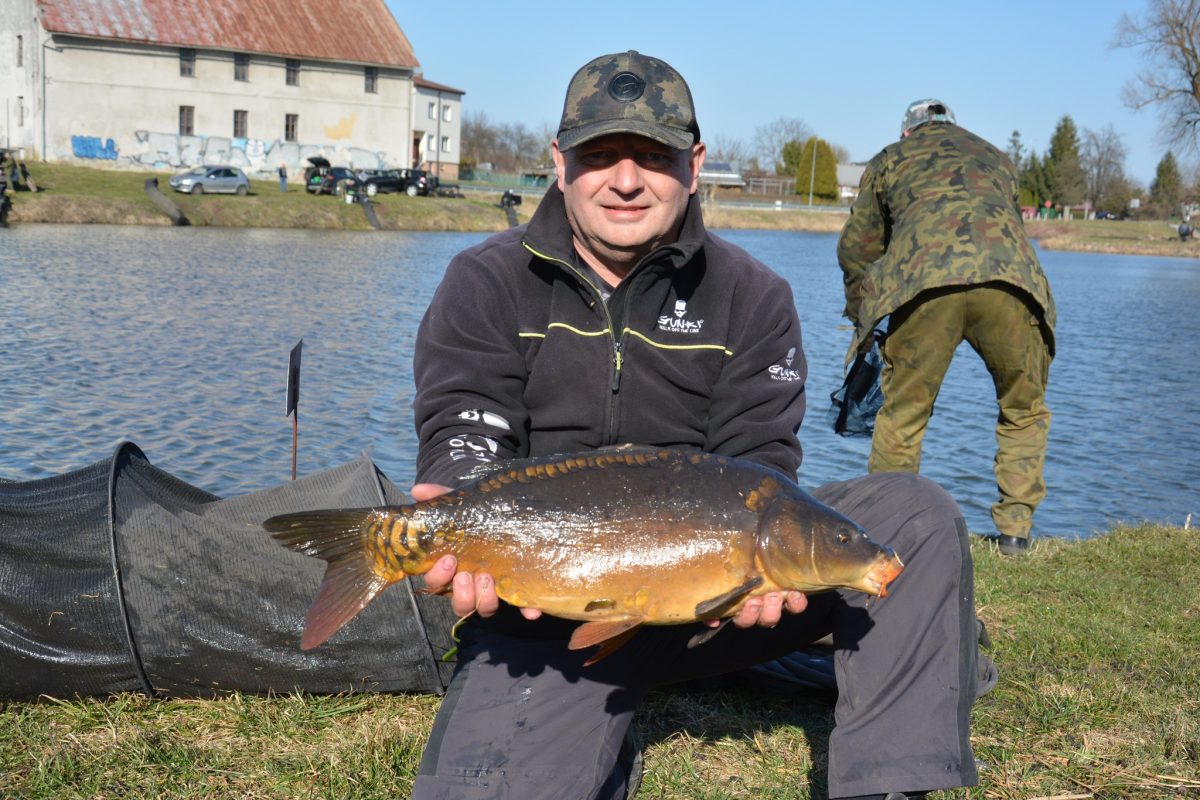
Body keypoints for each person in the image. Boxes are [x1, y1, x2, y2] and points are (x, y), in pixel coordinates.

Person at [409, 54, 984, 800]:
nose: (625, 180)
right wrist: (457, 508)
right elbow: (464, 432)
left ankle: (888, 785)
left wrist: (759, 583)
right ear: (559, 163)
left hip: (718, 606)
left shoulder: (752, 294)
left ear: (695, 164)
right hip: (549, 607)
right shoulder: (484, 280)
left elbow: (761, 463)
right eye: (598, 156)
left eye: (653, 156)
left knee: (918, 515)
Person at [838, 99, 1056, 557]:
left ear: (907, 132)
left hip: (925, 287)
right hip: (1012, 286)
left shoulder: (890, 159)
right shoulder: (994, 156)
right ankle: (1015, 535)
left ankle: (888, 531)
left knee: (903, 413)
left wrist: (862, 316)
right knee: (1023, 409)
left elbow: (858, 248)